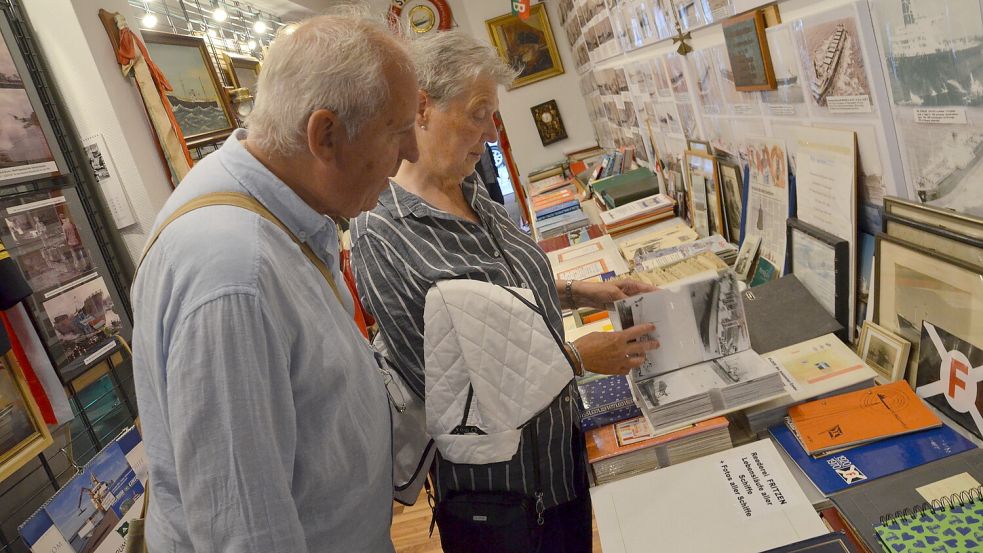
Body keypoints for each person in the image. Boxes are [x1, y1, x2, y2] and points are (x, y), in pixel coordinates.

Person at [351, 30, 659, 553]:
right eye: (478, 113)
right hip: (500, 501)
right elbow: (444, 392)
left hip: (560, 463)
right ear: (422, 108)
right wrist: (576, 360)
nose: (490, 133)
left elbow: (508, 295)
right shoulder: (381, 230)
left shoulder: (473, 194)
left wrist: (588, 293)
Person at [130, 12, 419, 553]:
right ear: (325, 135)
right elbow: (243, 529)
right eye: (398, 131)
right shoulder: (236, 275)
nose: (412, 154)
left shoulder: (280, 212)